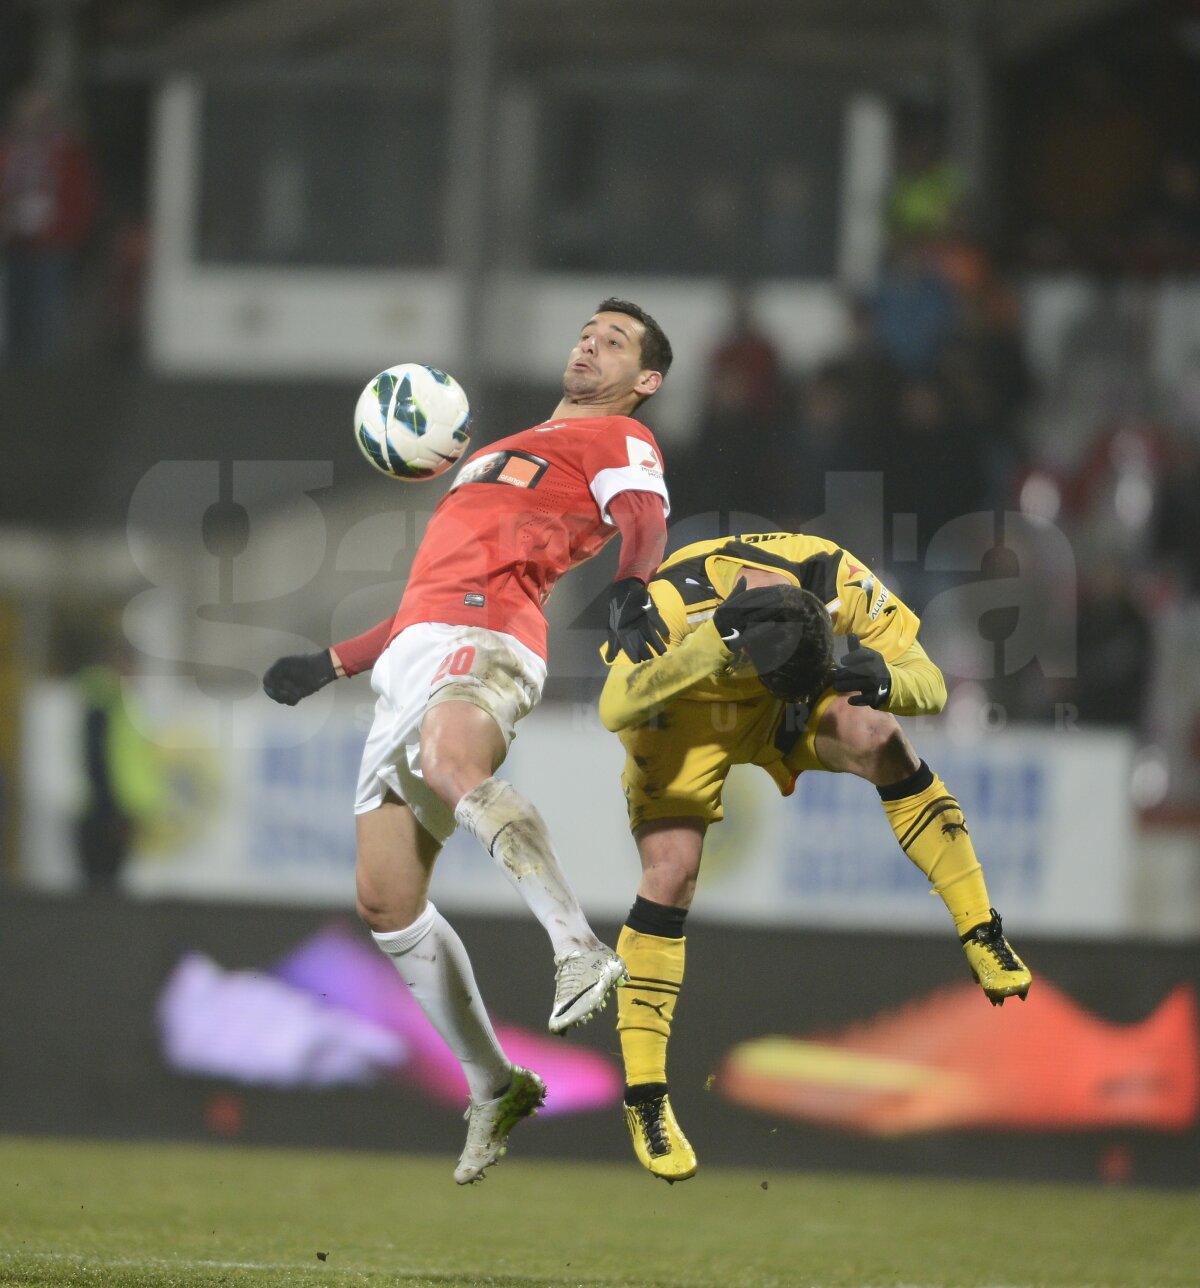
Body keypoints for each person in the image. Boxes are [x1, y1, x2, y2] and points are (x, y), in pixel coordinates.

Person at [262, 299, 674, 1184]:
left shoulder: (617, 440)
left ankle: (578, 948)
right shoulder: (490, 452)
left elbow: (642, 515)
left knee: (456, 763)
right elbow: (427, 593)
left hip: (490, 639)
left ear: (647, 381)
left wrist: (635, 585)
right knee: (384, 901)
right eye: (586, 332)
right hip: (415, 651)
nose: (589, 345)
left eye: (616, 342)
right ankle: (494, 1085)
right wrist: (332, 661)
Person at [597, 531, 1033, 1183]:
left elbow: (933, 684)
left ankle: (981, 930)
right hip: (687, 711)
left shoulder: (831, 574)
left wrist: (887, 679)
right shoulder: (669, 604)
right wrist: (714, 645)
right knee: (672, 870)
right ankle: (647, 1098)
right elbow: (617, 705)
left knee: (879, 733)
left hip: (785, 704)